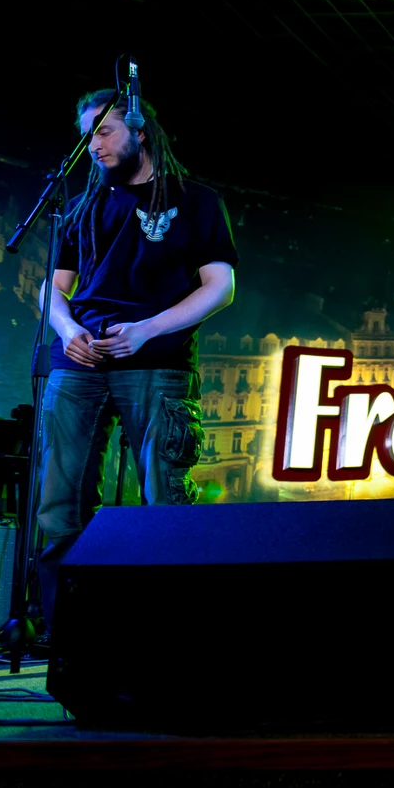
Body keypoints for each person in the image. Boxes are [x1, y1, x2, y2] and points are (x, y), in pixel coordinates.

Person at [35, 88, 239, 637]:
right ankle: (66, 633)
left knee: (164, 496)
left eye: (104, 132)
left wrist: (147, 329)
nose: (93, 145)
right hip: (78, 360)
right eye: (86, 136)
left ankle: (165, 632)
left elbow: (220, 286)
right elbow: (52, 288)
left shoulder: (196, 200)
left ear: (140, 132)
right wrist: (68, 329)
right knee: (59, 500)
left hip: (157, 361)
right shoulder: (83, 206)